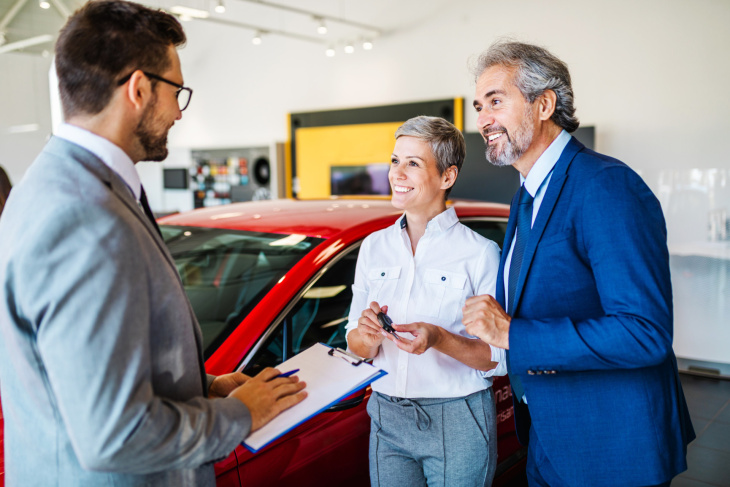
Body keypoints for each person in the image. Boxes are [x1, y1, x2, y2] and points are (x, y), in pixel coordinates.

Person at [0, 2, 306, 486]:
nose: (179, 113)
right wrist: (239, 416)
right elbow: (113, 434)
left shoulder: (53, 184)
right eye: (176, 92)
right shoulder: (85, 219)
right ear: (139, 89)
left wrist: (204, 386)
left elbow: (94, 363)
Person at [462, 41, 695, 487]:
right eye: (478, 106)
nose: (483, 120)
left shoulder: (606, 186)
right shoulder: (525, 196)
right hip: (549, 438)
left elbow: (643, 333)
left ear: (544, 103)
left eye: (496, 101)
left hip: (612, 447)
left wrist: (511, 332)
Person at [345, 115, 506, 487]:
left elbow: (497, 358)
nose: (397, 173)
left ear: (447, 177)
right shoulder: (373, 248)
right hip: (386, 414)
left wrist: (438, 338)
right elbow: (354, 346)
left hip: (457, 417)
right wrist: (367, 338)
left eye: (413, 164)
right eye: (395, 161)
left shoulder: (480, 254)